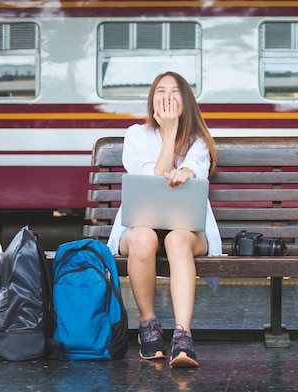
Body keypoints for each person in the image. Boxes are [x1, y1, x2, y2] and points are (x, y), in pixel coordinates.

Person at [107, 71, 221, 368]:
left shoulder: (198, 140)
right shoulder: (136, 134)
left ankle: (183, 336)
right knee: (143, 236)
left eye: (175, 91)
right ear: (151, 99)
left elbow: (196, 166)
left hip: (187, 229)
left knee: (177, 238)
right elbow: (152, 175)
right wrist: (169, 134)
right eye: (160, 90)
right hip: (138, 226)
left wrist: (188, 171)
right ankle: (149, 325)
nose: (167, 96)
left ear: (187, 101)